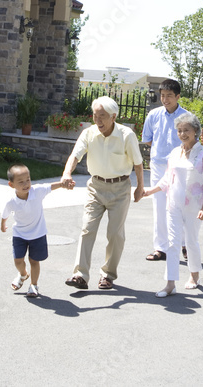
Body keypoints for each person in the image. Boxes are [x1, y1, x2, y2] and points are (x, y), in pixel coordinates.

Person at [61, 96, 144, 290]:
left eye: (103, 116)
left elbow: (138, 164)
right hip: (95, 187)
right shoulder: (88, 133)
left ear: (114, 116)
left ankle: (108, 274)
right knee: (87, 228)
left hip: (120, 188)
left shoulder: (127, 135)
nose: (98, 120)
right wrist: (67, 172)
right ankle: (80, 275)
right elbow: (75, 155)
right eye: (95, 115)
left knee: (115, 234)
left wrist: (140, 187)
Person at [142, 112, 203, 297]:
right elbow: (167, 179)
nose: (182, 134)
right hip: (173, 204)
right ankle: (170, 283)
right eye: (179, 131)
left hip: (194, 206)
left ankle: (194, 276)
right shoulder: (175, 153)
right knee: (172, 243)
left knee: (190, 241)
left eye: (186, 130)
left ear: (195, 131)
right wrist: (150, 191)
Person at [0, 164, 72, 298]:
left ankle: (33, 285)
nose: (26, 184)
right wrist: (3, 225)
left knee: (34, 261)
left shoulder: (37, 191)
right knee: (18, 260)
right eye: (21, 182)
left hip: (38, 234)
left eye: (28, 179)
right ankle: (22, 274)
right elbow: (5, 214)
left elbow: (50, 187)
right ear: (11, 185)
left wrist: (63, 184)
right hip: (19, 234)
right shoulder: (11, 201)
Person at [140, 78, 191, 262]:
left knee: (181, 207)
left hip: (180, 167)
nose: (165, 99)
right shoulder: (153, 115)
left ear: (177, 96)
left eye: (169, 95)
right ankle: (161, 248)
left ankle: (186, 245)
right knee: (160, 207)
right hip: (158, 166)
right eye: (162, 95)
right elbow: (147, 139)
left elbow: (193, 143)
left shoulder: (187, 117)